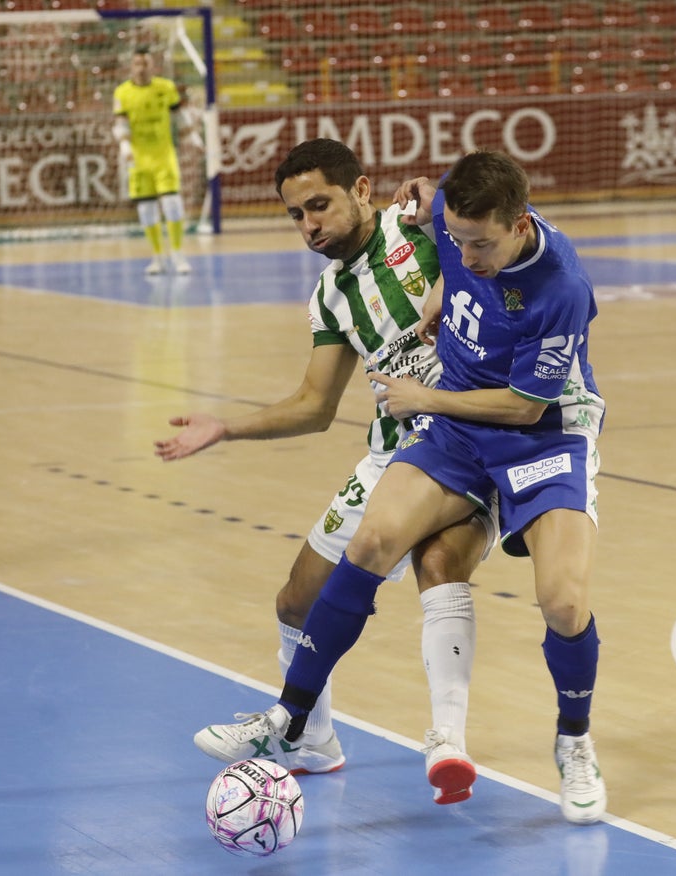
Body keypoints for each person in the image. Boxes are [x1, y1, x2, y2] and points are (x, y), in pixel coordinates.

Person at [198, 150, 609, 825]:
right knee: (372, 542)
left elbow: (525, 409)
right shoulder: (447, 216)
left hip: (543, 433)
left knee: (563, 602)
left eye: (483, 245)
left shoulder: (561, 287)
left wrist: (425, 396)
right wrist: (446, 296)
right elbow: (445, 210)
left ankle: (574, 742)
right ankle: (290, 718)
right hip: (457, 424)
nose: (467, 253)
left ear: (520, 224)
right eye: (459, 239)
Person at [156, 139, 494, 803]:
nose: (309, 224)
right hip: (390, 445)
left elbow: (495, 213)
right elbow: (314, 406)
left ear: (361, 190)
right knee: (296, 598)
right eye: (295, 215)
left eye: (319, 205)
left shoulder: (414, 226)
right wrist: (227, 427)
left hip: (465, 430)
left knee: (438, 565)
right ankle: (311, 738)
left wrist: (443, 203)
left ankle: (448, 740)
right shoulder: (330, 296)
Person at [112, 46, 196, 277]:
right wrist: (125, 145)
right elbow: (121, 124)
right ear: (131, 66)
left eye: (145, 64)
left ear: (152, 66)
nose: (141, 68)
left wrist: (191, 135)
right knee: (147, 210)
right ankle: (158, 257)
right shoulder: (122, 93)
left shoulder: (165, 87)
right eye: (137, 64)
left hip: (164, 156)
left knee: (173, 205)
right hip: (138, 159)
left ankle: (178, 255)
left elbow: (178, 114)